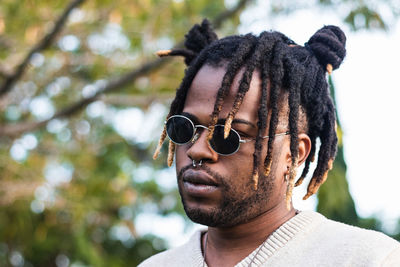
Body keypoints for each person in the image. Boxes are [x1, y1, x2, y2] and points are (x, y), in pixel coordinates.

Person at [139, 19, 400, 266]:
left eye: (228, 136)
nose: (197, 150)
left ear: (294, 154)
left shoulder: (369, 259)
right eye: (185, 129)